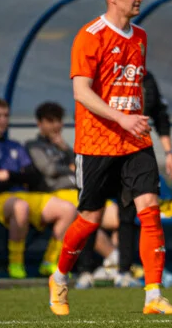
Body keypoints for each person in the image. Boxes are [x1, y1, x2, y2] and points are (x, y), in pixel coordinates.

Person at [48, 0, 172, 316]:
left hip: (134, 141)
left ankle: (153, 295)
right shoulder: (90, 36)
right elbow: (81, 91)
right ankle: (60, 277)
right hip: (96, 144)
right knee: (89, 219)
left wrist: (133, 118)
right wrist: (120, 117)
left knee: (150, 210)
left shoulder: (140, 36)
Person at [0, 97, 77, 278]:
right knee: (20, 207)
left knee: (68, 209)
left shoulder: (15, 146)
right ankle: (16, 263)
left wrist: (9, 175)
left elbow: (33, 176)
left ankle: (51, 262)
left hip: (23, 195)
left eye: (5, 115)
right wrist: (18, 175)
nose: (2, 120)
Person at [25, 102, 116, 288]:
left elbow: (81, 168)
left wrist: (66, 150)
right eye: (50, 121)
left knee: (117, 216)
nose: (55, 126)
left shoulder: (64, 147)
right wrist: (69, 169)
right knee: (88, 219)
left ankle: (113, 265)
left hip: (76, 193)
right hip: (54, 196)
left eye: (58, 121)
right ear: (40, 123)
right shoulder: (34, 145)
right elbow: (49, 170)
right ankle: (113, 261)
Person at [115, 70, 172, 287]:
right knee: (92, 212)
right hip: (107, 150)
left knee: (146, 210)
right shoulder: (108, 73)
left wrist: (169, 153)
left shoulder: (147, 77)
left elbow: (160, 115)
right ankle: (89, 270)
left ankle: (152, 275)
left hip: (139, 149)